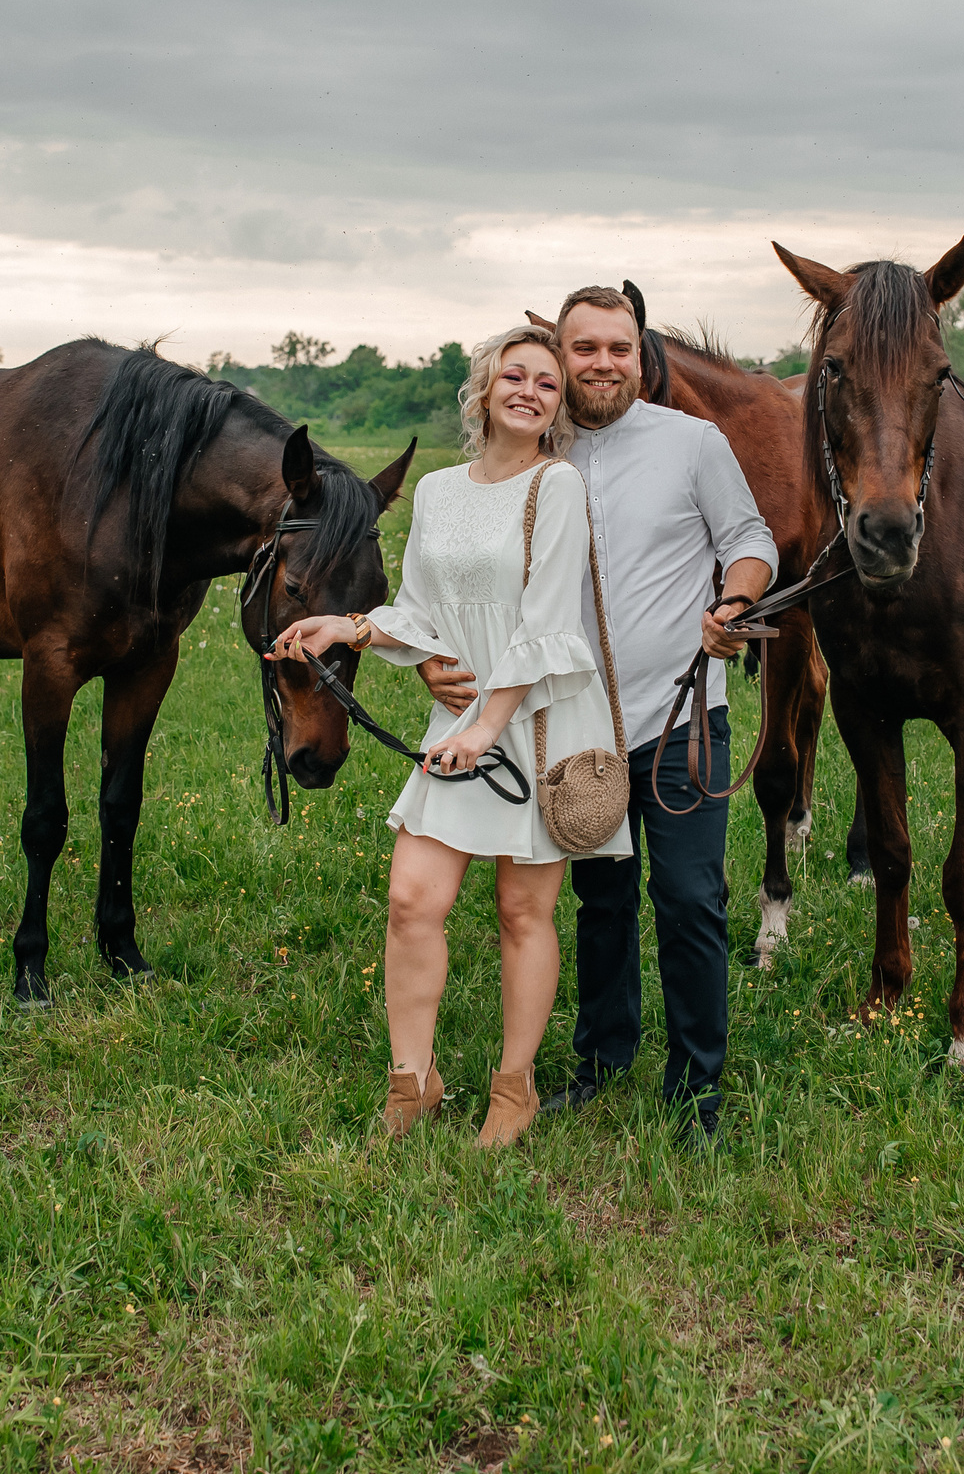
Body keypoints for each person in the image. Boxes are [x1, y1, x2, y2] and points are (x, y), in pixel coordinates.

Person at [417, 286, 775, 1145]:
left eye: (619, 348)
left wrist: (733, 602)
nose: (602, 364)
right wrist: (431, 651)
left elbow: (751, 537)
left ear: (641, 355)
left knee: (689, 898)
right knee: (599, 898)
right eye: (585, 350)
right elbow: (466, 566)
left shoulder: (693, 442)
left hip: (684, 714)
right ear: (560, 354)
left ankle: (698, 1088)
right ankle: (601, 1058)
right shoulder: (538, 448)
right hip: (574, 726)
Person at [268, 324, 630, 1148]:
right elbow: (424, 611)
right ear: (485, 388)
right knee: (411, 902)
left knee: (522, 911)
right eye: (516, 375)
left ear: (556, 404)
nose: (531, 390)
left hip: (533, 721)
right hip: (462, 719)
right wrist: (348, 626)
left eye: (547, 381)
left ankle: (514, 1087)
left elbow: (544, 623)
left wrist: (487, 729)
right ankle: (413, 1080)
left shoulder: (558, 486)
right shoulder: (435, 490)